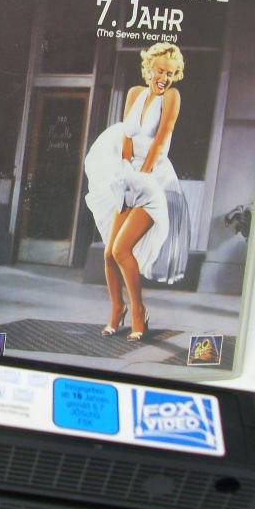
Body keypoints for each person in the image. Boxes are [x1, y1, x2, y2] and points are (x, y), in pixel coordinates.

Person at [84, 43, 191, 342]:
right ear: (148, 68)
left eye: (171, 73)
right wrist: (126, 172)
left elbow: (161, 140)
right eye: (160, 71)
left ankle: (138, 312)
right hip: (130, 176)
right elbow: (127, 137)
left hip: (154, 180)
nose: (165, 78)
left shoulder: (172, 97)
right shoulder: (134, 93)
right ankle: (117, 308)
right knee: (109, 253)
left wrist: (141, 176)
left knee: (121, 250)